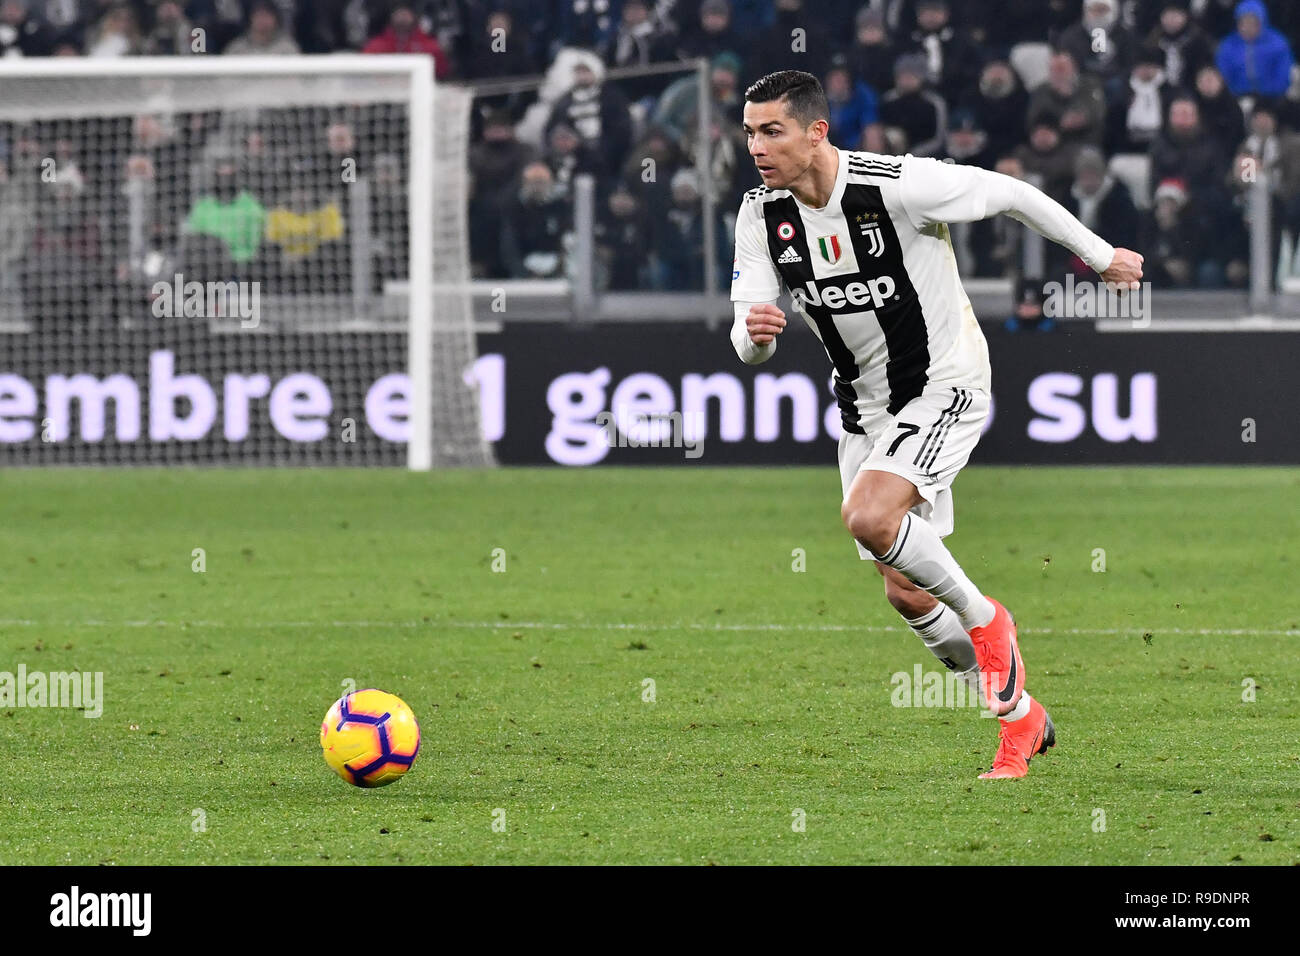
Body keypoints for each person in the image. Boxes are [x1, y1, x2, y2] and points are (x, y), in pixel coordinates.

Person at [730, 70, 1143, 778]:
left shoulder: (897, 185)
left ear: (815, 131)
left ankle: (989, 620)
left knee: (866, 515)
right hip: (863, 409)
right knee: (907, 590)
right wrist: (757, 334)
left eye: (772, 130)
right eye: (748, 132)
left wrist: (1099, 257)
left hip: (945, 382)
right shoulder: (761, 215)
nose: (757, 147)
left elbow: (1011, 193)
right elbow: (749, 339)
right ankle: (1021, 720)